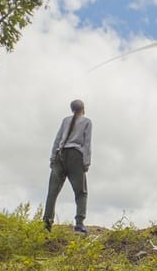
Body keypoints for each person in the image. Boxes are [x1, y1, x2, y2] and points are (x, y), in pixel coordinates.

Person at [43, 99, 92, 233]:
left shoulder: (65, 120)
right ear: (83, 108)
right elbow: (86, 144)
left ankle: (46, 224)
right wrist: (86, 163)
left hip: (60, 154)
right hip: (75, 156)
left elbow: (57, 140)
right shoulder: (87, 122)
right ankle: (79, 224)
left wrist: (53, 158)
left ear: (72, 109)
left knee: (52, 192)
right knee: (81, 192)